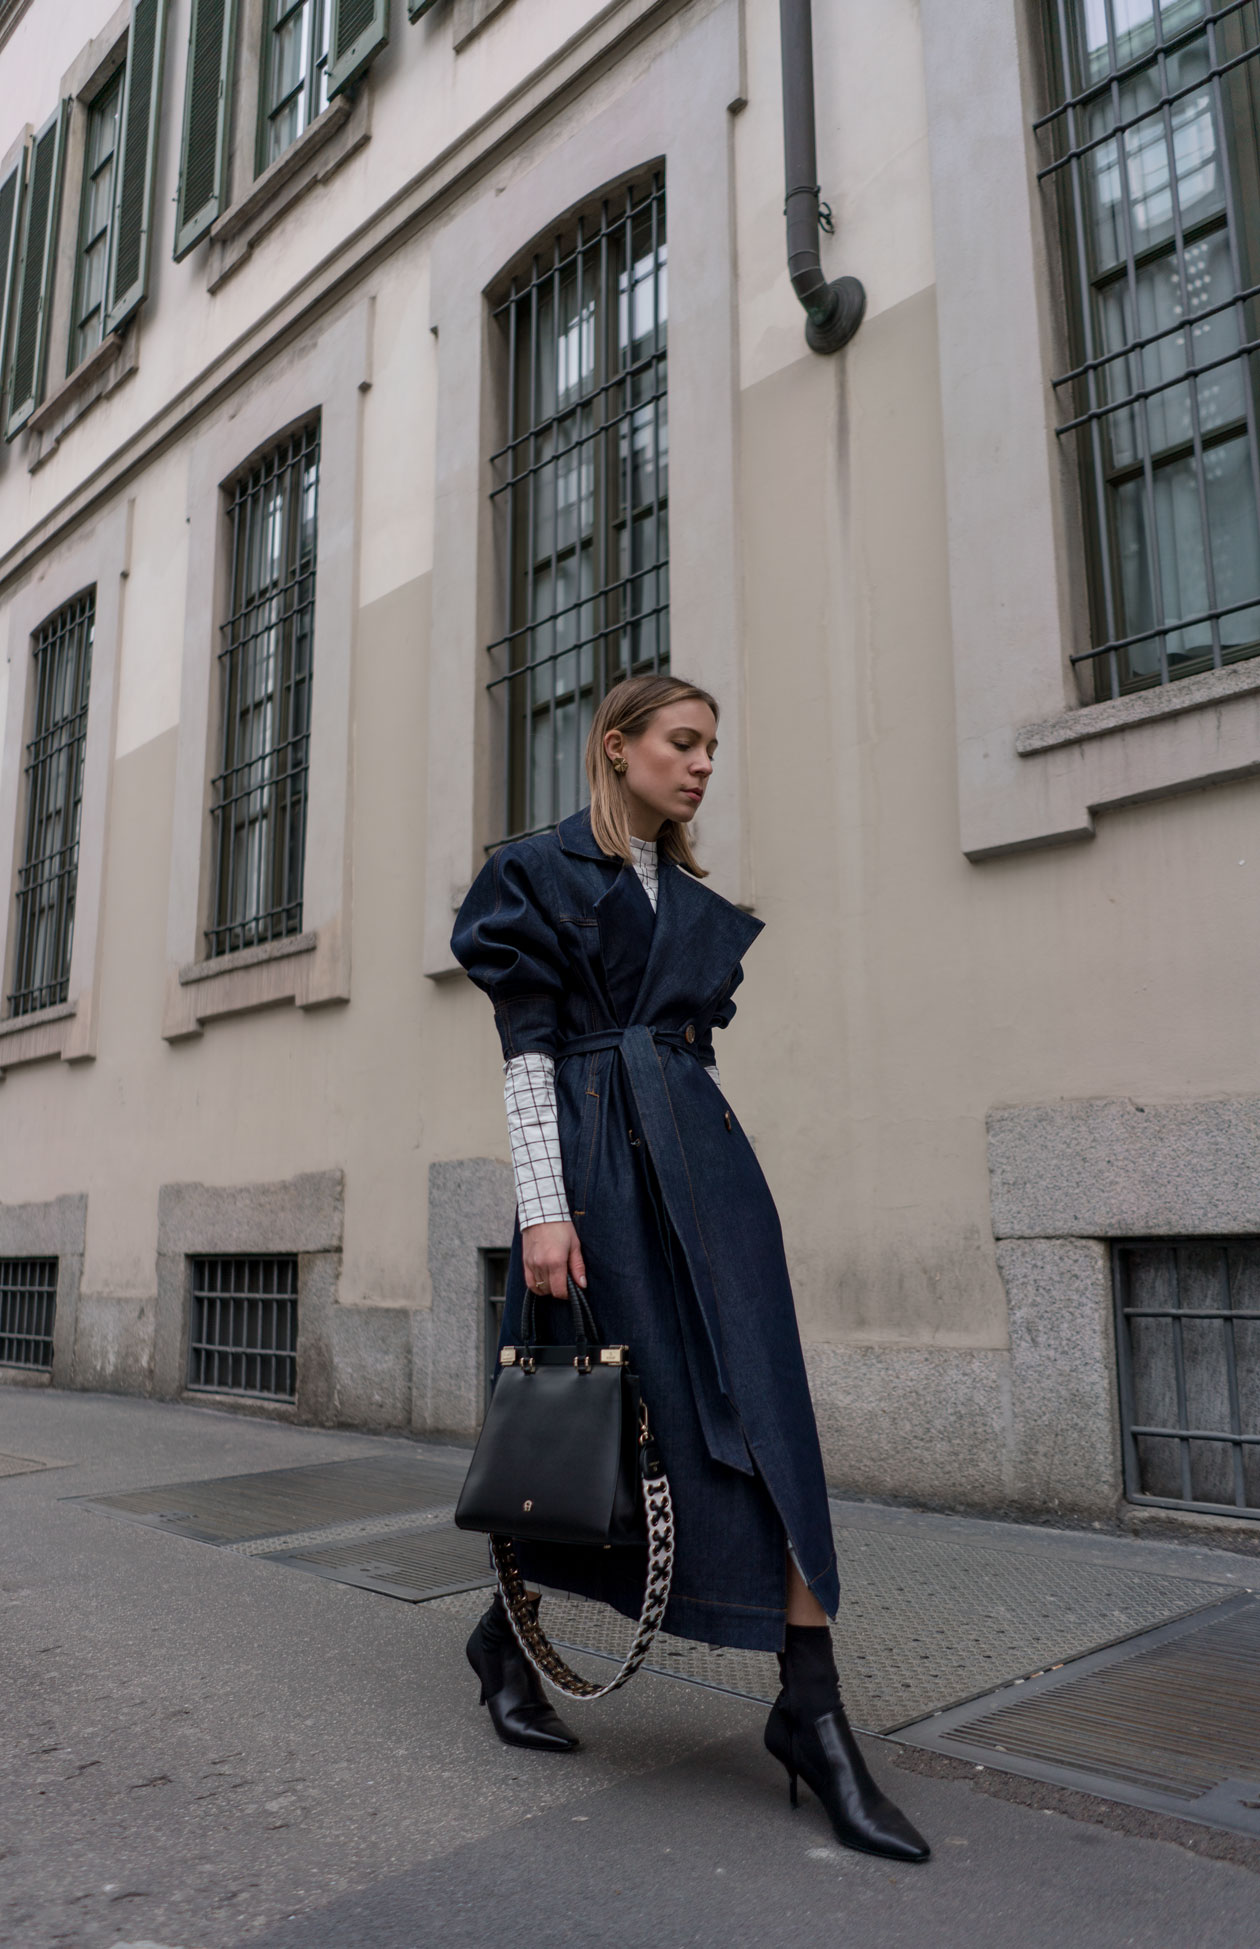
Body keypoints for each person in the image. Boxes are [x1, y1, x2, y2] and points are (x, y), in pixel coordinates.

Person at [450, 674, 929, 1864]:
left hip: (706, 1178)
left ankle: (808, 1699)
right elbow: (526, 1055)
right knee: (605, 1427)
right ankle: (506, 1637)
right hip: (595, 1183)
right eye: (683, 741)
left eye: (712, 745)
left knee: (768, 1419)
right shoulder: (536, 872)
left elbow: (686, 1054)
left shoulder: (693, 901)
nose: (704, 762)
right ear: (617, 747)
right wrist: (543, 1212)